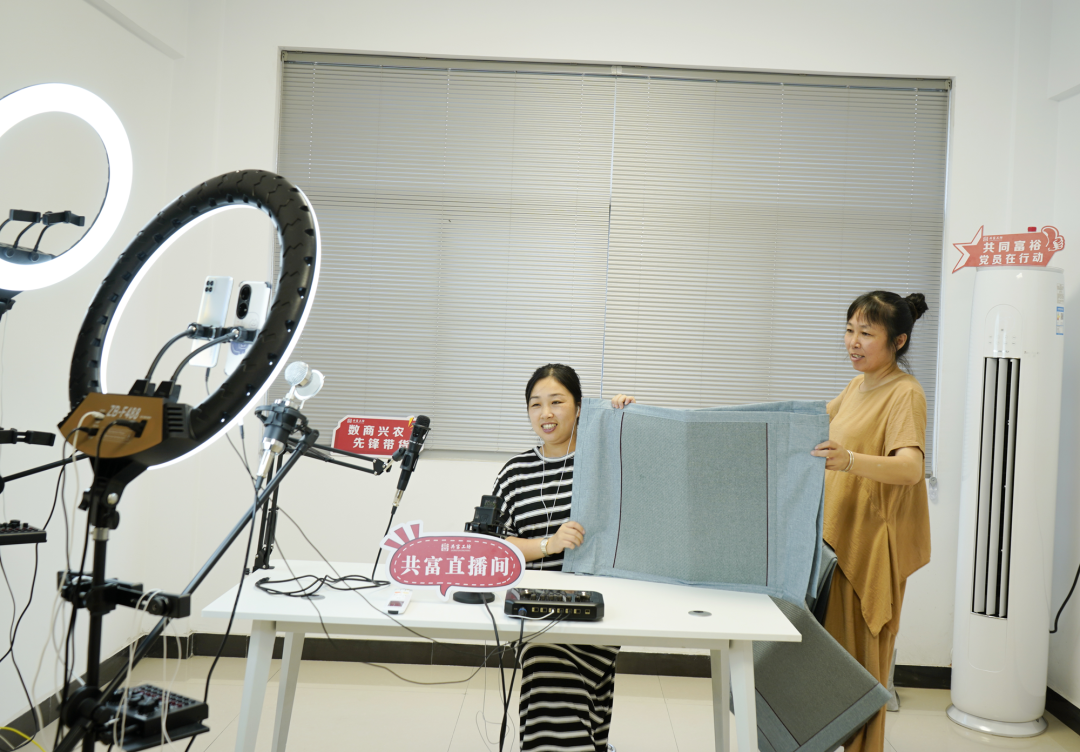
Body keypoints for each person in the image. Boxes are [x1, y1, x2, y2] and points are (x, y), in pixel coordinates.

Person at [810, 291, 932, 752]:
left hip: (867, 549)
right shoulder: (857, 386)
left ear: (897, 341)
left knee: (857, 674)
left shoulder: (905, 392)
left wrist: (850, 460)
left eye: (866, 333)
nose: (853, 342)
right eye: (849, 330)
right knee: (827, 672)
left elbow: (910, 468)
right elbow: (808, 426)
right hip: (836, 544)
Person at [491, 363, 618, 752]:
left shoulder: (607, 462)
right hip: (535, 610)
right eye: (535, 404)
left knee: (564, 682)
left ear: (579, 407)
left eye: (557, 402)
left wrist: (627, 420)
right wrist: (548, 544)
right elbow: (492, 545)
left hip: (600, 608)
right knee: (553, 672)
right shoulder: (515, 473)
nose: (545, 413)